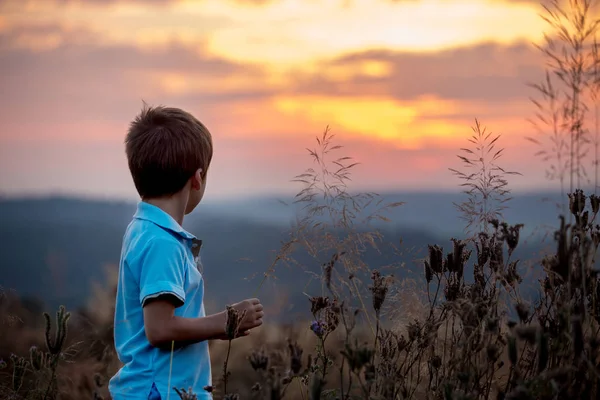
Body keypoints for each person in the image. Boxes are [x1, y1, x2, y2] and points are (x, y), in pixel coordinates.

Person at [108, 105, 264, 399]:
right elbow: (159, 329)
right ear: (198, 178)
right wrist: (224, 322)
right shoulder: (162, 243)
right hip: (161, 391)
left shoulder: (143, 228)